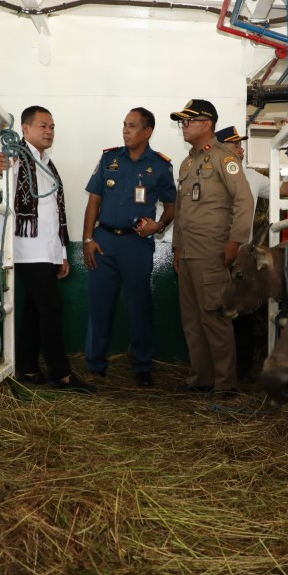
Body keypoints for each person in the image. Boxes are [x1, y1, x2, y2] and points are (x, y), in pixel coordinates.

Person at [82, 107, 176, 387]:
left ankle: (143, 366)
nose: (125, 130)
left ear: (147, 132)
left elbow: (172, 207)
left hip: (137, 245)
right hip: (104, 241)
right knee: (99, 306)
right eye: (124, 124)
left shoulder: (160, 166)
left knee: (140, 306)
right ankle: (95, 365)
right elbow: (94, 202)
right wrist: (87, 239)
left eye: (132, 126)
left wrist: (159, 226)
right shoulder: (109, 158)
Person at [170, 99, 254, 394]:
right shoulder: (188, 162)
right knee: (192, 320)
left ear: (207, 124)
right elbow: (181, 209)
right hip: (188, 252)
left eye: (188, 121)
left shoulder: (223, 158)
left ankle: (225, 384)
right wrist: (177, 247)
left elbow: (244, 200)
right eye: (182, 122)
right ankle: (201, 379)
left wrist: (235, 241)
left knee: (214, 318)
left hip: (212, 252)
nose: (183, 126)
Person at [12, 105, 94, 393]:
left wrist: (61, 254)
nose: (49, 131)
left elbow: (54, 214)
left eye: (52, 127)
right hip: (26, 248)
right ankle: (61, 374)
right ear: (25, 129)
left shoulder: (47, 163)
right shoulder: (14, 158)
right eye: (43, 126)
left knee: (35, 309)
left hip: (46, 250)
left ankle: (27, 367)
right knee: (51, 306)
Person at [216, 125, 268, 384]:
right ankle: (218, 370)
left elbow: (282, 189)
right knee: (215, 312)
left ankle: (242, 370)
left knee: (243, 314)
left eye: (240, 145)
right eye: (235, 145)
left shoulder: (251, 176)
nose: (241, 149)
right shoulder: (210, 174)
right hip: (212, 254)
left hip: (241, 259)